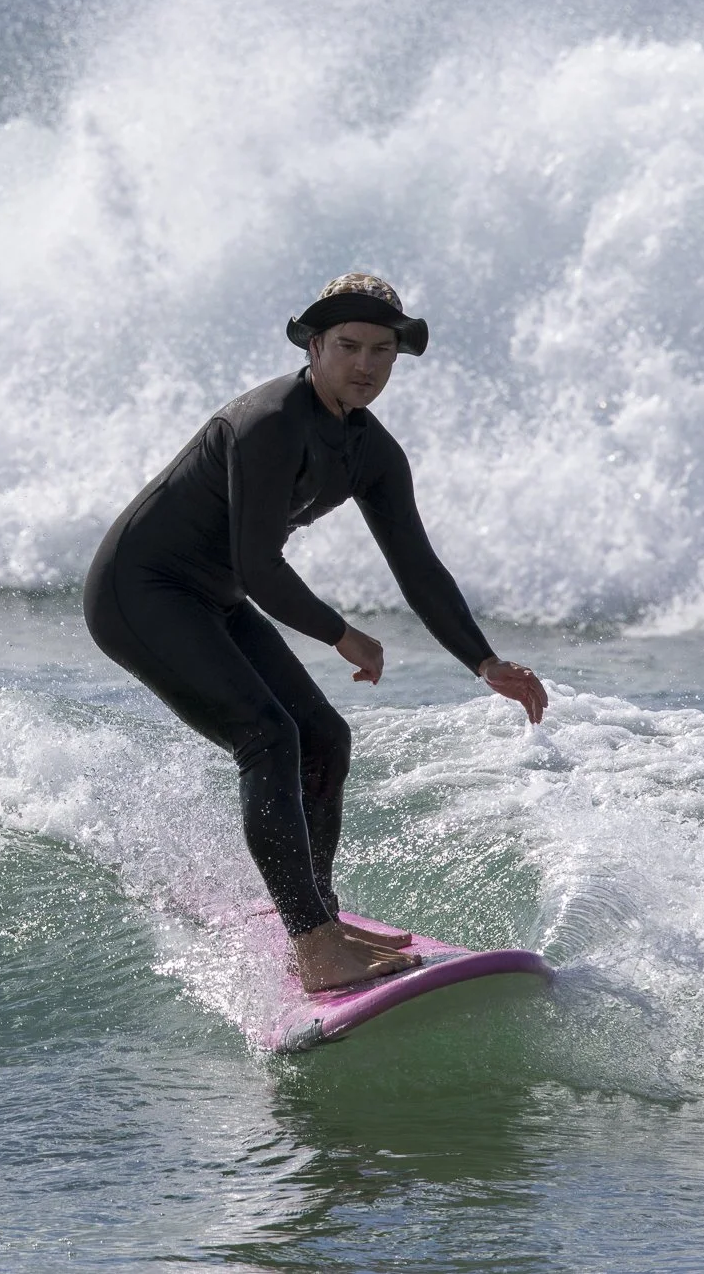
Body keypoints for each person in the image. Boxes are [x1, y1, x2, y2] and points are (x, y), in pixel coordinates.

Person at [84, 273, 548, 992]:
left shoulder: (371, 450)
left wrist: (483, 661)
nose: (366, 365)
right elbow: (257, 565)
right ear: (314, 345)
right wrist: (342, 635)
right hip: (141, 591)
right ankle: (315, 945)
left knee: (324, 737)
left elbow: (417, 565)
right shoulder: (269, 422)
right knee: (267, 736)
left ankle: (319, 916)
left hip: (215, 596)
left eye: (382, 351)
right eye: (349, 346)